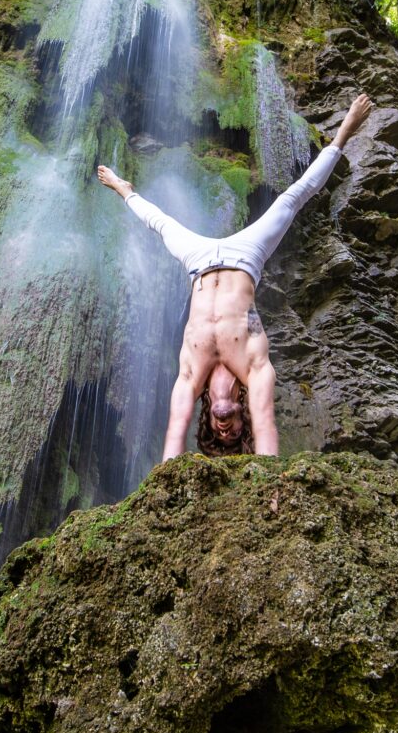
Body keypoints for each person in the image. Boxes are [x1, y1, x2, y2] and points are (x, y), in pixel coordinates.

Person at [98, 92, 372, 459]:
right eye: (233, 435)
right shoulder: (255, 366)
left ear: (208, 420)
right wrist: (273, 489)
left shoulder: (190, 373)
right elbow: (267, 426)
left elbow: (174, 432)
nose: (225, 430)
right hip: (246, 258)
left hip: (197, 262)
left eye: (218, 434)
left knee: (160, 225)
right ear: (242, 416)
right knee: (292, 199)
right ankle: (343, 135)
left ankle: (125, 190)